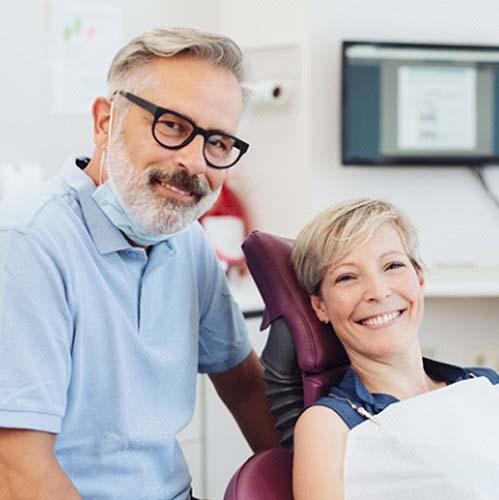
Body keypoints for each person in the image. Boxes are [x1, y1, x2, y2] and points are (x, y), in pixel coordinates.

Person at [0, 27, 280, 500]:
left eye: (218, 143)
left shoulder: (187, 243)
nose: (194, 161)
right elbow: (18, 470)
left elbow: (247, 389)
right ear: (106, 120)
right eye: (172, 126)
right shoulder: (28, 245)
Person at [290, 199, 499, 500]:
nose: (378, 291)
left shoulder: (484, 385)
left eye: (393, 266)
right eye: (347, 277)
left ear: (420, 279)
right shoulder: (328, 425)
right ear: (320, 305)